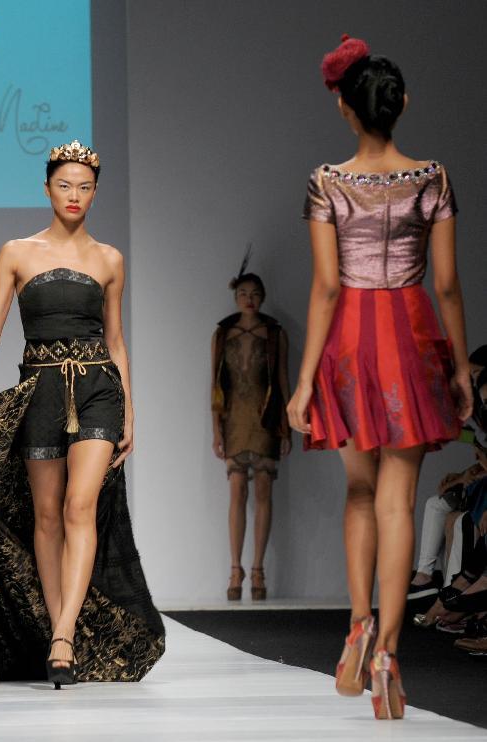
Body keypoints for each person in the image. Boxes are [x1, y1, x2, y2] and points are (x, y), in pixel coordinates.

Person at [0, 140, 164, 688]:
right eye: (64, 185)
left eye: (84, 187)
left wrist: (131, 410)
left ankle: (63, 636)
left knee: (79, 505)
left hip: (98, 388)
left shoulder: (110, 259)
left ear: (96, 192)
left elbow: (116, 340)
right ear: (46, 189)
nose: (74, 195)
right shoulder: (16, 253)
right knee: (46, 515)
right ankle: (55, 630)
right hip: (40, 391)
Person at [288, 36, 472, 720]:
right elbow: (447, 285)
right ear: (402, 104)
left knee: (360, 492)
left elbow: (326, 287)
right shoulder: (433, 178)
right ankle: (390, 655)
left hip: (351, 343)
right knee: (399, 501)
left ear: (345, 109)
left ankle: (359, 624)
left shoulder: (327, 181)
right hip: (412, 338)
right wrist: (460, 365)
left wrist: (304, 381)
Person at [212, 253, 291, 601]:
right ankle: (235, 568)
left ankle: (258, 569)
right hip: (233, 418)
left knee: (263, 491)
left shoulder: (274, 333)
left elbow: (283, 379)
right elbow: (215, 385)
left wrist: (286, 425)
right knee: (236, 491)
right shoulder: (222, 333)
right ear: (235, 297)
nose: (249, 299)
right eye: (243, 293)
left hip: (265, 417)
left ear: (263, 297)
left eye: (255, 294)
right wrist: (216, 429)